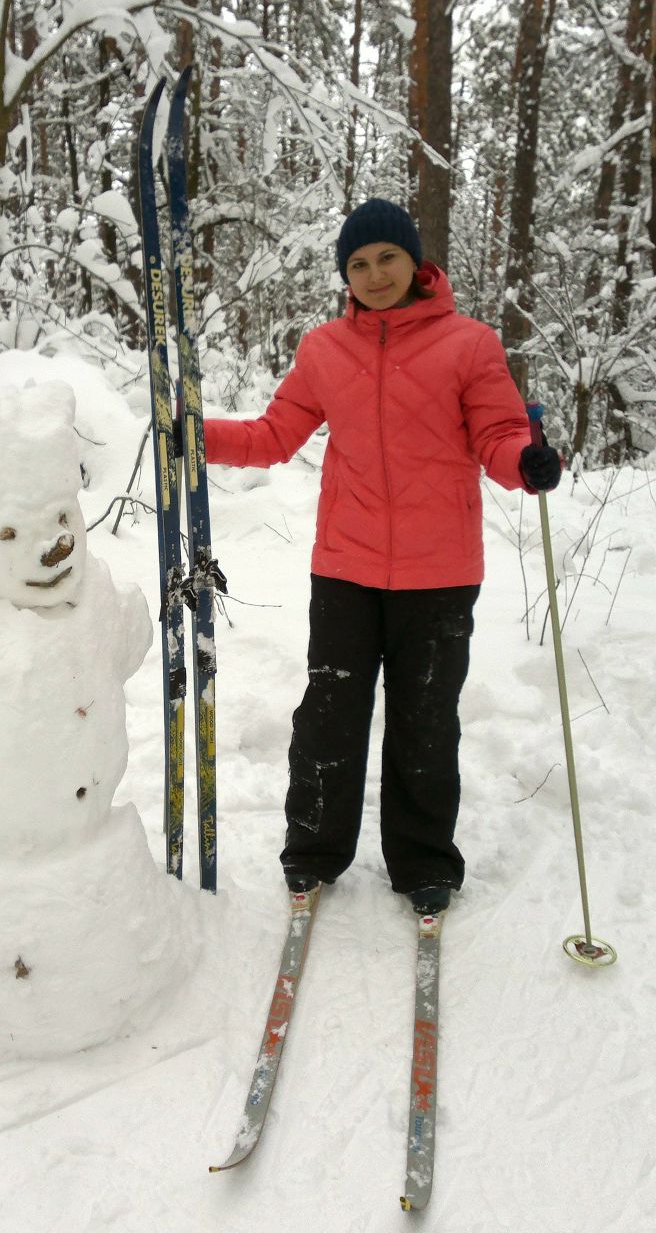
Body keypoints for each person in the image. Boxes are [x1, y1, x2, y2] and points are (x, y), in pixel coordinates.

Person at [203, 198, 562, 915]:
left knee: (426, 721)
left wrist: (526, 460)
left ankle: (425, 861)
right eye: (358, 264)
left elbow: (496, 434)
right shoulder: (324, 350)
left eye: (386, 258)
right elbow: (275, 435)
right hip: (345, 568)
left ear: (416, 262)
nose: (373, 275)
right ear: (346, 274)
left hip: (440, 575)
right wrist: (197, 435)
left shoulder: (469, 344)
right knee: (329, 716)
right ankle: (313, 848)